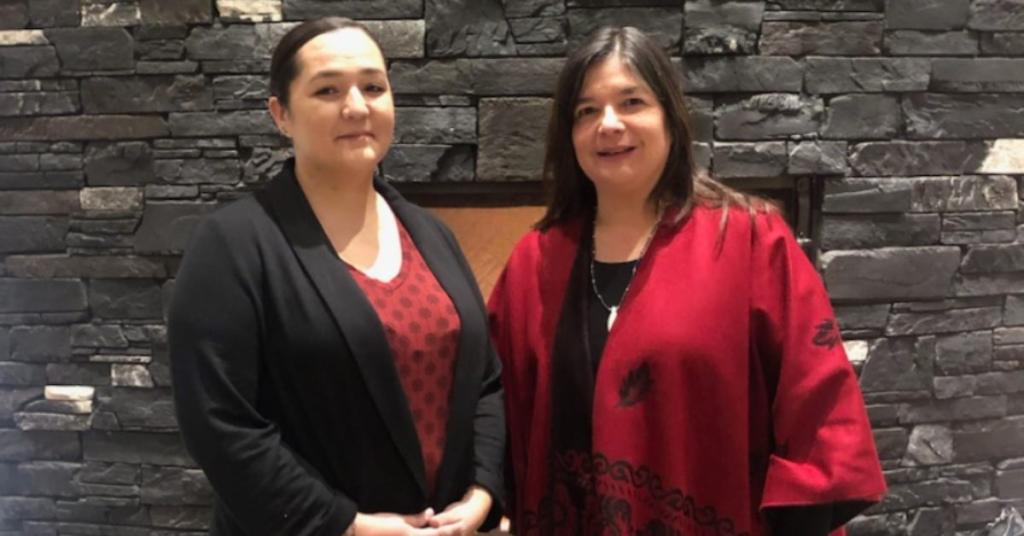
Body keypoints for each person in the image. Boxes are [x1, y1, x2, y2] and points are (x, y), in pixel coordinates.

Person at [488, 26, 886, 536]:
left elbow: (816, 395)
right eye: (586, 111)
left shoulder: (747, 240)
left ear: (671, 119)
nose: (608, 124)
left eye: (631, 101)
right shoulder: (536, 260)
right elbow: (496, 400)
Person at [168, 17, 504, 536]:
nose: (356, 106)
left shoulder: (432, 235)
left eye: (373, 87)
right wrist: (346, 525)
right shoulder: (233, 246)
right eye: (327, 89)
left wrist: (482, 492)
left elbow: (485, 382)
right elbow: (221, 424)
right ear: (280, 114)